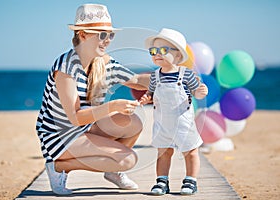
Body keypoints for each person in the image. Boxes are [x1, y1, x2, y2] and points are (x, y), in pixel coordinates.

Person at [36, 4, 149, 195]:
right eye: (102, 35)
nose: (107, 41)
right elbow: (75, 118)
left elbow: (137, 80)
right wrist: (113, 106)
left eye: (110, 35)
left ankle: (112, 172)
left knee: (133, 123)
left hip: (84, 129)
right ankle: (59, 167)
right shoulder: (66, 66)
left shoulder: (103, 61)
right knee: (127, 160)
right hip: (59, 137)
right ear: (83, 34)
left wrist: (169, 77)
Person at [139, 28, 208, 195]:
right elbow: (151, 92)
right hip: (163, 123)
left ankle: (191, 180)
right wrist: (146, 98)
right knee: (163, 152)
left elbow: (196, 90)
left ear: (178, 56)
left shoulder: (185, 74)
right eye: (153, 51)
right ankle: (162, 181)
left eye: (163, 50)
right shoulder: (155, 76)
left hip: (183, 122)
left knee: (190, 152)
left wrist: (200, 92)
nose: (157, 54)